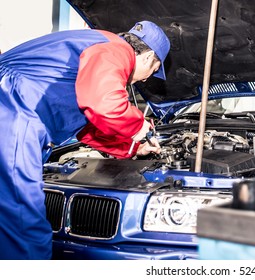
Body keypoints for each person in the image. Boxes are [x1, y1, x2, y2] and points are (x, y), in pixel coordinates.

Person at [0, 20, 170, 259]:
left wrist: (134, 148)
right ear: (148, 56)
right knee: (24, 224)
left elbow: (87, 129)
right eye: (153, 71)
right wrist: (139, 125)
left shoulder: (95, 46)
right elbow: (105, 103)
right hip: (14, 111)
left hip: (14, 107)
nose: (144, 80)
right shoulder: (115, 48)